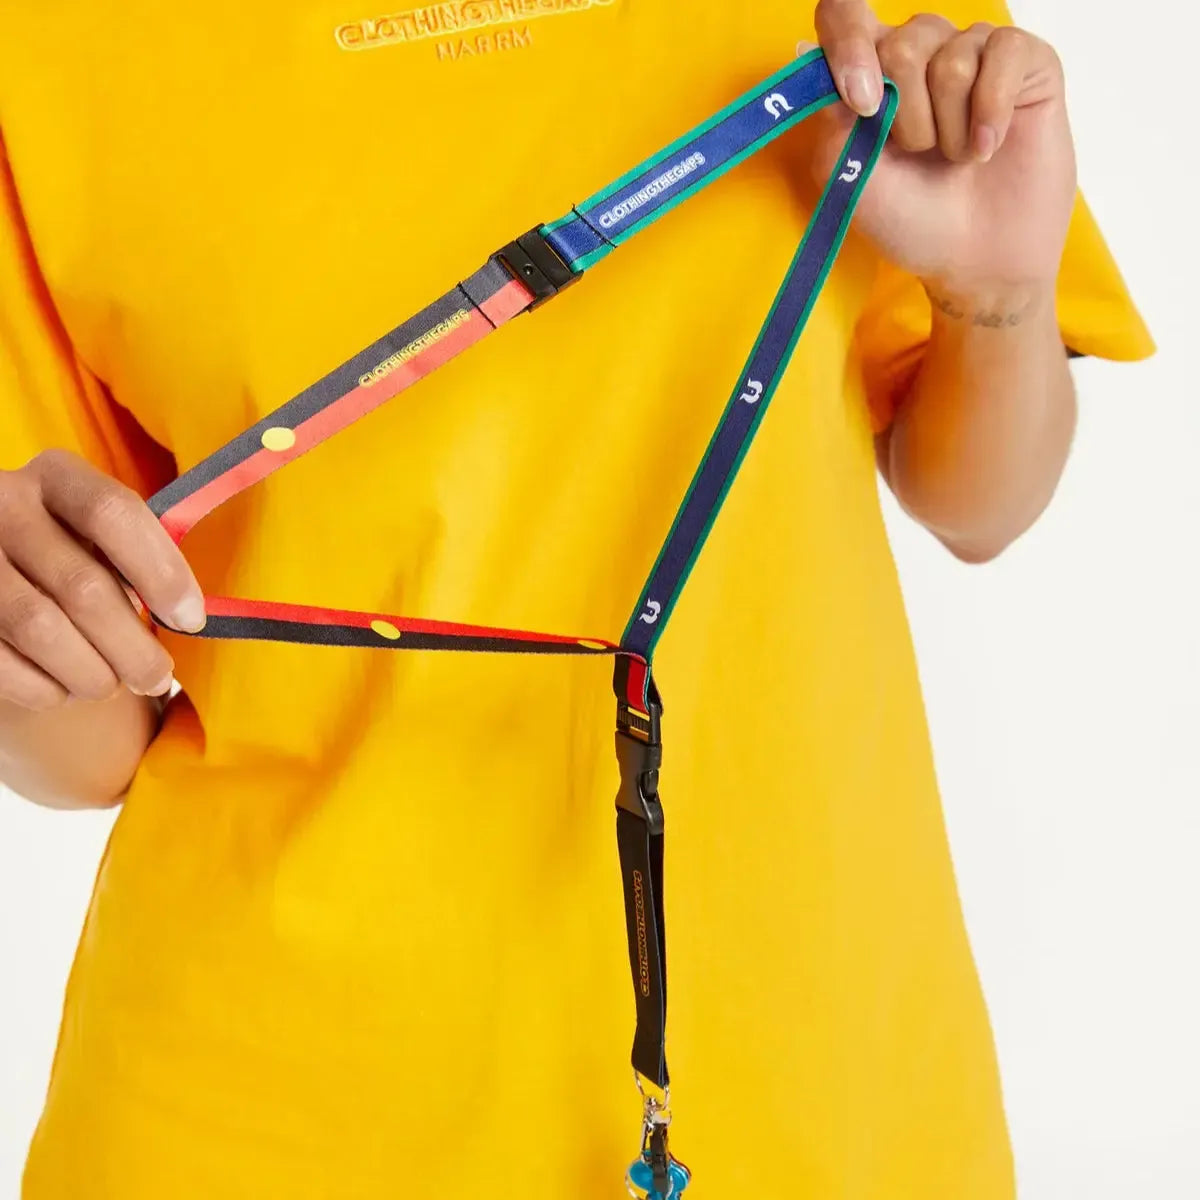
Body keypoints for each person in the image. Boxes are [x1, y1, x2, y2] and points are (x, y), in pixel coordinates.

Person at [0, 0, 1152, 1196]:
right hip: (264, 1101)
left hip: (810, 1056)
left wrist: (998, 296)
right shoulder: (48, 47)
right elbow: (90, 752)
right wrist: (23, 635)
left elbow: (979, 508)